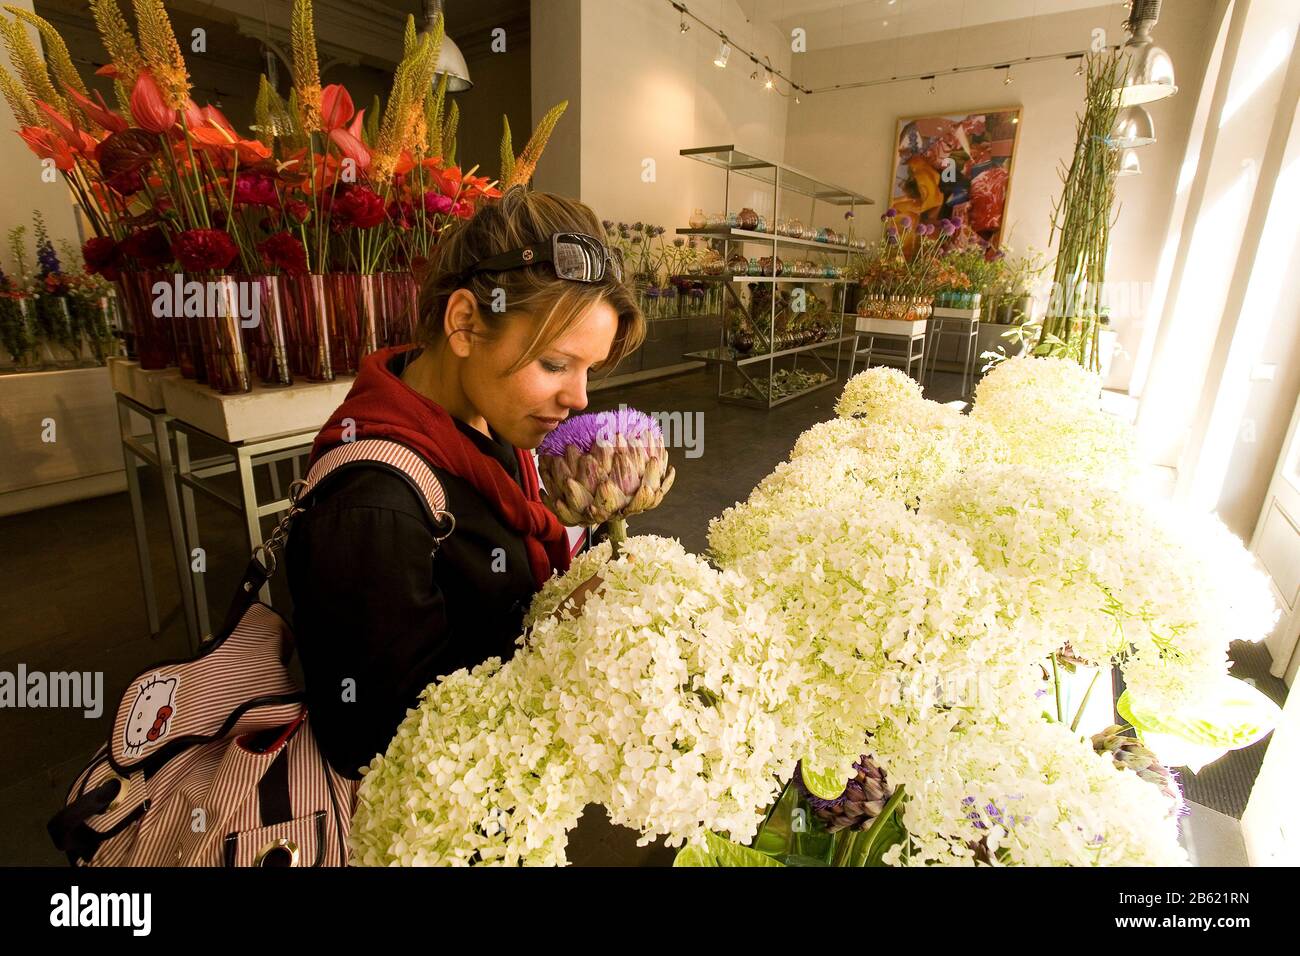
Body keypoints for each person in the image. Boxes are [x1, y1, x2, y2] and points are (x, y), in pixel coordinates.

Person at [286, 186, 645, 780]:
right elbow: (374, 745)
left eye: (589, 368)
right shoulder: (375, 511)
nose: (579, 398)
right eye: (554, 364)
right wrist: (555, 635)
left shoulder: (491, 424)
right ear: (464, 325)